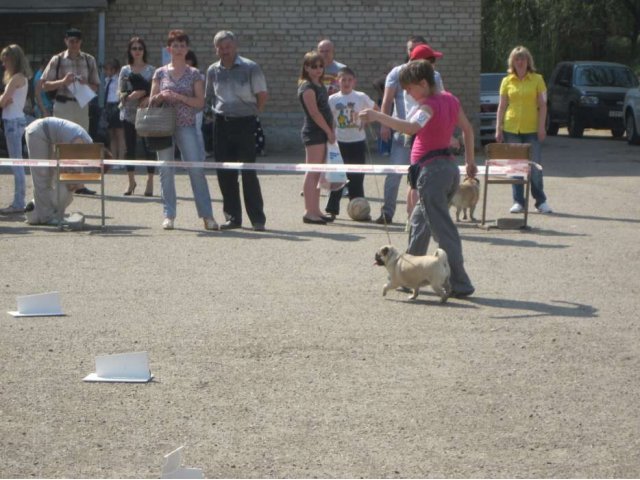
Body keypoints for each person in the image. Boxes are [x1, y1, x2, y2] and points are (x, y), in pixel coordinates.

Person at [359, 59, 476, 298]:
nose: (408, 94)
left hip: (433, 173)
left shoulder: (429, 105)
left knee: (444, 232)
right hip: (445, 170)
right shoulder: (451, 100)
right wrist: (470, 160)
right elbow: (468, 129)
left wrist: (379, 116)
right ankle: (408, 275)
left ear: (423, 83)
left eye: (410, 89)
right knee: (419, 223)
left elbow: (411, 128)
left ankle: (461, 283)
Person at [149, 29, 218, 231]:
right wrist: (160, 96)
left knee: (196, 169)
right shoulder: (159, 73)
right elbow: (150, 102)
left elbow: (199, 103)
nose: (178, 49)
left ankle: (207, 215)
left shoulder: (194, 73)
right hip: (162, 126)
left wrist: (179, 97)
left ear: (187, 49)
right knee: (165, 169)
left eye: (182, 45)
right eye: (175, 45)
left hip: (186, 124)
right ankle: (169, 215)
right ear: (169, 49)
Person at [205, 30, 268, 231]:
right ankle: (233, 218)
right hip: (221, 124)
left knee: (248, 172)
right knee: (225, 173)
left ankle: (257, 219)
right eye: (220, 47)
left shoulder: (251, 67)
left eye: (228, 47)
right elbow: (209, 96)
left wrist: (253, 113)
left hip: (245, 123)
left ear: (235, 46)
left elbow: (262, 95)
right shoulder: (212, 70)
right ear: (216, 50)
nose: (225, 51)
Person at [375, 35, 429, 225]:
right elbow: (387, 100)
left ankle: (422, 216)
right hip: (401, 133)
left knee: (422, 177)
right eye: (411, 49)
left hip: (424, 134)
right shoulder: (396, 73)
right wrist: (384, 124)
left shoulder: (433, 75)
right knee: (394, 174)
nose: (414, 52)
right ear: (407, 52)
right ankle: (387, 212)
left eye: (418, 48)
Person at [41, 28, 100, 196]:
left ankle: (79, 184)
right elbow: (44, 85)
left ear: (81, 42)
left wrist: (83, 84)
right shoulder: (57, 59)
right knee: (61, 143)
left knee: (80, 143)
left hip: (82, 105)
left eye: (77, 41)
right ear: (66, 41)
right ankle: (61, 181)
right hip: (63, 104)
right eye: (71, 40)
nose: (74, 44)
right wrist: (63, 81)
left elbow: (96, 85)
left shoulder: (89, 60)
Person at [495, 46, 552, 214]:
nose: (520, 62)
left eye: (523, 59)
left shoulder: (537, 79)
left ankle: (540, 201)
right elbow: (502, 106)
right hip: (511, 128)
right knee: (516, 167)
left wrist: (541, 127)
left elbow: (542, 105)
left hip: (532, 128)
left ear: (528, 62)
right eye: (517, 59)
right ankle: (518, 202)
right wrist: (498, 128)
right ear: (512, 62)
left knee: (535, 167)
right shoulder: (507, 81)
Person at [324, 66, 377, 220]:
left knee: (357, 177)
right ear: (337, 81)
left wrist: (366, 121)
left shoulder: (361, 97)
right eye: (343, 80)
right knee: (337, 177)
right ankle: (331, 210)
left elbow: (376, 110)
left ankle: (359, 210)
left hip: (357, 142)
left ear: (354, 81)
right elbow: (328, 118)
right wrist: (330, 132)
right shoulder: (333, 99)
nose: (346, 83)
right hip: (339, 143)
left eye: (349, 80)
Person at [23, 117, 92, 225]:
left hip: (47, 135)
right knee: (42, 176)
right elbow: (73, 180)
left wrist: (72, 177)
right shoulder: (82, 143)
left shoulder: (86, 143)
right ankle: (46, 217)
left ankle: (40, 211)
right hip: (37, 132)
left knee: (51, 178)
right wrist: (73, 179)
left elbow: (60, 161)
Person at [297, 50, 336, 225]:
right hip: (314, 133)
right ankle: (309, 211)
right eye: (314, 66)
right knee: (312, 172)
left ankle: (316, 209)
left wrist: (330, 128)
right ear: (306, 67)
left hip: (322, 131)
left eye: (321, 66)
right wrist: (328, 131)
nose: (318, 69)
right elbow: (314, 113)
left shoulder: (319, 85)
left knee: (318, 173)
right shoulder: (307, 88)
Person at [118, 36, 156, 197]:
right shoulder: (125, 70)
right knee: (130, 147)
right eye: (134, 48)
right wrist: (128, 96)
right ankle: (131, 181)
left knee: (149, 147)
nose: (137, 51)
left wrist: (146, 95)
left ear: (144, 51)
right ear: (130, 51)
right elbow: (119, 91)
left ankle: (150, 180)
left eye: (140, 48)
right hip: (128, 113)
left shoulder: (151, 70)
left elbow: (156, 91)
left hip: (147, 112)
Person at [0, 44, 31, 214]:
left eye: (6, 60)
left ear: (13, 60)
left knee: (16, 163)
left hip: (12, 122)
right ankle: (19, 201)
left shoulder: (16, 78)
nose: (4, 64)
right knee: (16, 162)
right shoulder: (22, 78)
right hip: (15, 120)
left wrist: (3, 98)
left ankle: (19, 202)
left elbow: (3, 101)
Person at [103, 59, 125, 170]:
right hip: (108, 106)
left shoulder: (118, 80)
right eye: (106, 69)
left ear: (114, 70)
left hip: (117, 105)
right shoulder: (107, 80)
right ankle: (114, 159)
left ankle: (121, 159)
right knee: (111, 135)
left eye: (108, 69)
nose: (106, 71)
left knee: (119, 134)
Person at [185, 49, 207, 164]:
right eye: (185, 59)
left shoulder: (199, 73)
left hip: (196, 109)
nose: (187, 62)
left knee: (197, 132)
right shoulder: (179, 72)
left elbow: (201, 91)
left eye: (189, 59)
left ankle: (201, 156)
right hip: (183, 109)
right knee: (184, 134)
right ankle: (186, 160)